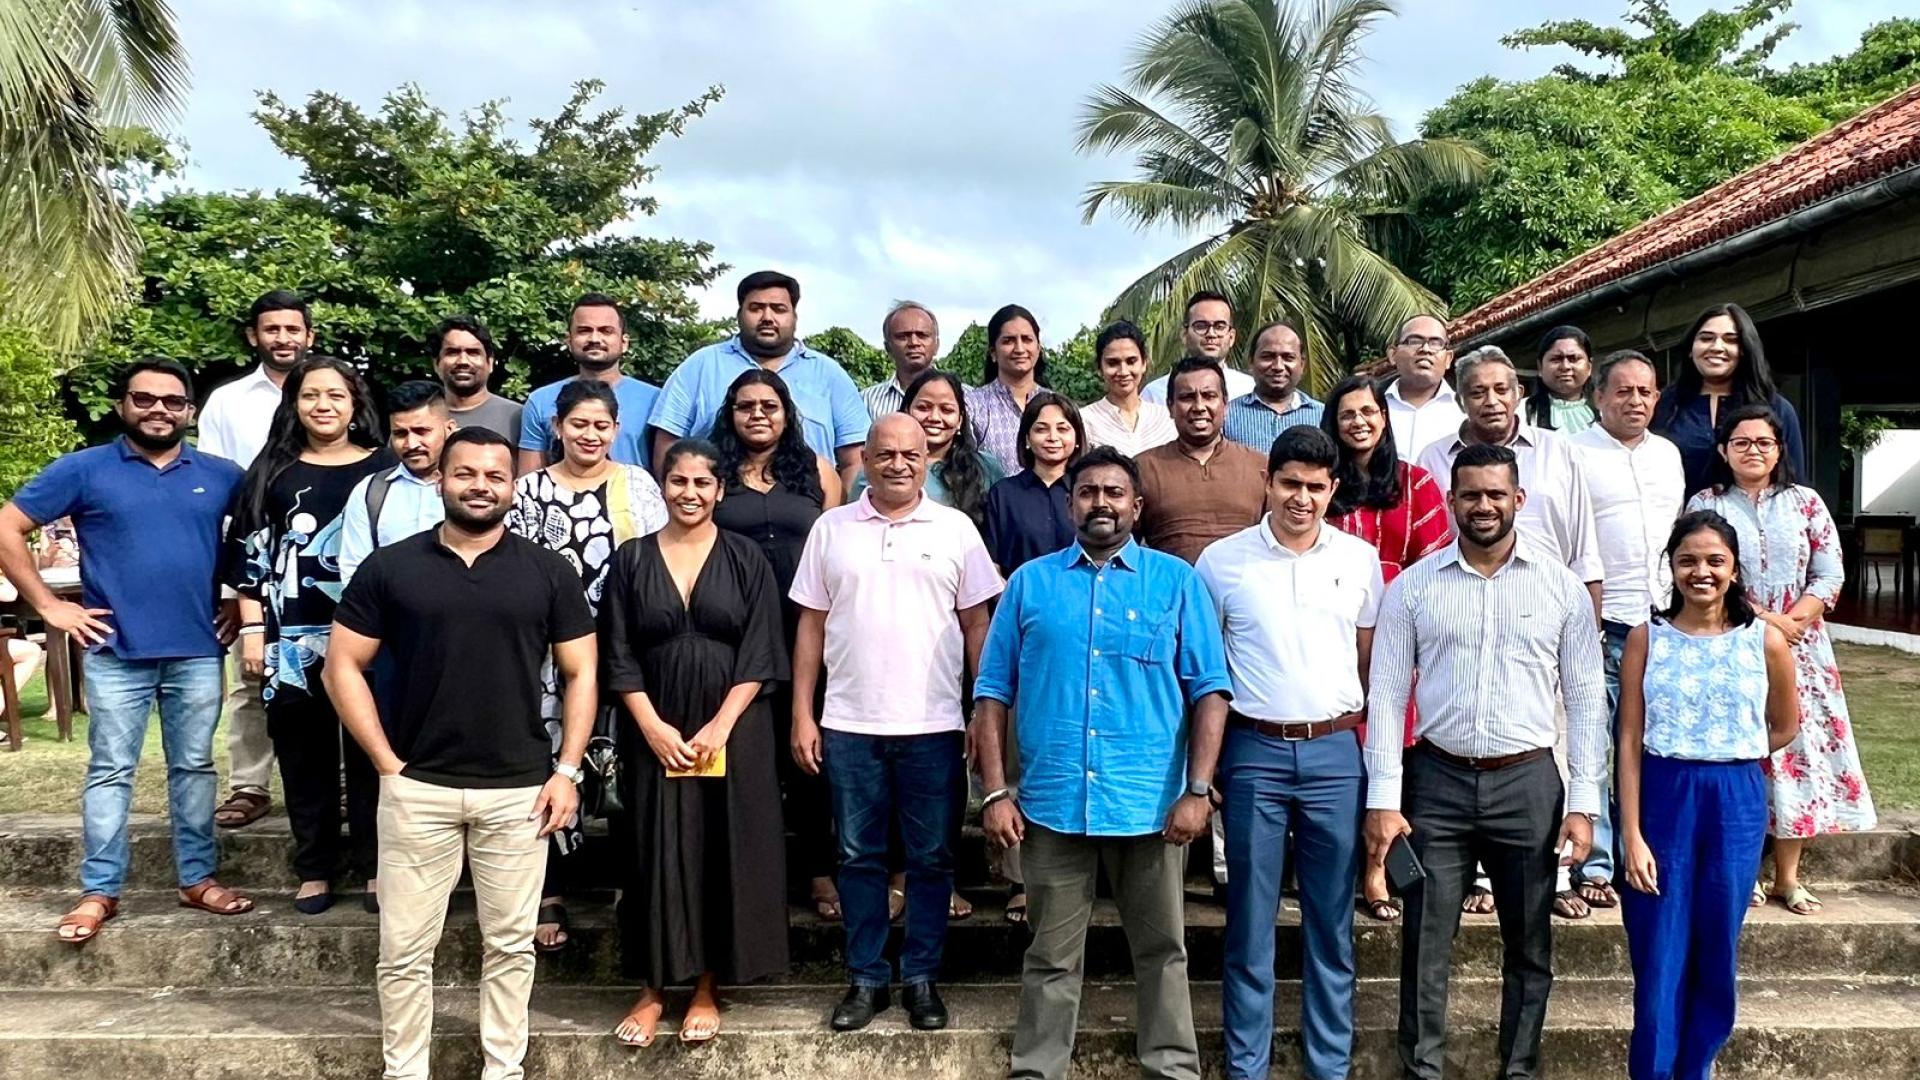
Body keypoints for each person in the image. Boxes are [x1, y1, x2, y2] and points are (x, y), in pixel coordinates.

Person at [322, 427, 597, 1080]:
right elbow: (342, 668)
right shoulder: (391, 567)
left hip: (520, 789)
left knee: (509, 946)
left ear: (511, 484)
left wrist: (567, 770)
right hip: (420, 787)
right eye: (466, 473)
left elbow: (583, 672)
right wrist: (387, 764)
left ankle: (503, 1069)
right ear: (440, 479)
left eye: (495, 475)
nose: (481, 485)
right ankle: (405, 1070)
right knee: (404, 949)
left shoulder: (546, 571)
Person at [973, 445, 1231, 1080]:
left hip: (1151, 807)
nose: (1101, 504)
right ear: (1069, 505)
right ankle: (1038, 1070)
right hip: (1053, 804)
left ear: (1137, 507)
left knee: (1163, 950)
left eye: (1115, 493)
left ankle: (1171, 1067)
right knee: (1051, 955)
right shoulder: (1030, 584)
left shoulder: (1176, 583)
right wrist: (995, 792)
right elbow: (991, 693)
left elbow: (1211, 692)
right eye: (1088, 493)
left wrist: (1198, 789)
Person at [1364, 442, 1608, 1080]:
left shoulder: (1561, 589)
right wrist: (1383, 802)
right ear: (1451, 501)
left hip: (1528, 783)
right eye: (1470, 494)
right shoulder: (1414, 588)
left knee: (1529, 943)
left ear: (1518, 500)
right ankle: (1423, 1070)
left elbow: (1585, 703)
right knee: (1425, 944)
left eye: (1496, 494)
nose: (1483, 506)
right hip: (1436, 782)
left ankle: (1520, 1069)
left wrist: (1583, 805)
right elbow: (1387, 698)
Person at [0, 360, 253, 943]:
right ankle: (100, 891)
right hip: (115, 648)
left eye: (173, 401)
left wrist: (243, 603)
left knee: (194, 768)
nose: (159, 409)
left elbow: (257, 540)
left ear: (190, 410)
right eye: (145, 399)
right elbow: (9, 526)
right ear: (122, 405)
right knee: (111, 771)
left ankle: (197, 878)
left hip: (196, 647)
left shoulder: (221, 475)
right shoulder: (84, 469)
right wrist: (48, 607)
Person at [789, 414, 1002, 1033]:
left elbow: (977, 627)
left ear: (927, 460)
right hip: (850, 723)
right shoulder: (831, 530)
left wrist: (978, 712)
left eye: (911, 455)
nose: (899, 464)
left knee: (934, 858)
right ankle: (865, 979)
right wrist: (803, 712)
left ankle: (922, 978)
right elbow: (809, 626)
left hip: (933, 724)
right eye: (886, 454)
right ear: (868, 460)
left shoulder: (956, 528)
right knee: (857, 856)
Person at [1197, 426, 1383, 1080]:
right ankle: (1247, 1068)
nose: (1301, 498)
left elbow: (1371, 664)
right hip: (1253, 751)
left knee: (1330, 921)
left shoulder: (1359, 560)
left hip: (1336, 751)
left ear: (1333, 490)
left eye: (1315, 487)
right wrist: (1207, 765)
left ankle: (1326, 1066)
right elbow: (1205, 670)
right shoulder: (1221, 563)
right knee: (1250, 919)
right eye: (1289, 484)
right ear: (1267, 483)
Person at [603, 439, 791, 1047]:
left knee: (719, 845)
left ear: (720, 490)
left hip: (731, 727)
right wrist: (652, 727)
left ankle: (708, 985)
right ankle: (655, 985)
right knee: (655, 846)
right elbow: (618, 653)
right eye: (678, 482)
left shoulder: (744, 559)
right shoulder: (631, 560)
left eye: (702, 483)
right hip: (654, 726)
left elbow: (762, 649)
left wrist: (718, 727)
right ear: (663, 486)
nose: (690, 493)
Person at [1617, 511, 1800, 1080]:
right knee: (1659, 949)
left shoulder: (1765, 640)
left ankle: (1697, 1068)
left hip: (1735, 800)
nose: (1701, 572)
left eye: (1715, 560)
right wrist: (1631, 834)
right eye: (1688, 560)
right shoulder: (1648, 639)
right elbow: (1627, 737)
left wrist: (1727, 746)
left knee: (1716, 946)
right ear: (1670, 568)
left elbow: (1785, 724)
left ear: (1734, 567)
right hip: (1662, 796)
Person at [1686, 405, 1876, 916]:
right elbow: (1701, 570)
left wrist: (1794, 621)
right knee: (1744, 755)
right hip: (1731, 640)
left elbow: (1829, 571)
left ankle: (1788, 878)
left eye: (1764, 443)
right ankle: (1743, 870)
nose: (1753, 451)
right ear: (1724, 450)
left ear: (1778, 450)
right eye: (1742, 442)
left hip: (1802, 646)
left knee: (1798, 756)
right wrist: (1767, 620)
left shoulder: (1806, 503)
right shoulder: (1706, 504)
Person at [226, 356, 395, 915]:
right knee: (303, 750)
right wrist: (253, 631)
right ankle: (315, 866)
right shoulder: (271, 472)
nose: (323, 405)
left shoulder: (387, 468)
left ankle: (375, 867)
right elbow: (249, 557)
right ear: (293, 404)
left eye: (336, 395)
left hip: (377, 637)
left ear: (356, 404)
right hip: (293, 635)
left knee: (375, 751)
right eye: (310, 396)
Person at [506, 379, 667, 950]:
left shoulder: (639, 485)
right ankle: (550, 891)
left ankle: (633, 884)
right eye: (578, 424)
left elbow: (656, 567)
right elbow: (515, 572)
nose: (590, 434)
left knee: (627, 767)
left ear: (616, 430)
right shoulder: (526, 491)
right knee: (548, 767)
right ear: (557, 427)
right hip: (546, 656)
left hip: (622, 650)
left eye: (601, 425)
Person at [709, 369, 844, 921]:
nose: (758, 415)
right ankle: (751, 876)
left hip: (805, 626)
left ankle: (818, 869)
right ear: (731, 414)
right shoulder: (713, 473)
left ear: (787, 413)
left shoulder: (816, 471)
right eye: (746, 406)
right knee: (747, 755)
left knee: (810, 754)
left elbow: (837, 546)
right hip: (732, 633)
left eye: (769, 405)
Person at [1322, 374, 1454, 923]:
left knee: (1391, 755)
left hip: (1403, 634)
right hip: (1333, 635)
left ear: (1384, 417)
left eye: (1368, 411)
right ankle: (1344, 866)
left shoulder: (1415, 483)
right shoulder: (1323, 485)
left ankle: (1380, 867)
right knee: (1347, 757)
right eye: (1347, 413)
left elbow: (1436, 563)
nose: (1359, 421)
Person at [1568, 350, 1685, 908]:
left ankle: (1653, 849)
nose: (1635, 401)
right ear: (1598, 397)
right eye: (1623, 391)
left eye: (1645, 392)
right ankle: (1595, 863)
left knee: (1653, 745)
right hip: (1602, 623)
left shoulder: (1668, 455)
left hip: (1662, 622)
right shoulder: (1573, 455)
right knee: (1593, 741)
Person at [202, 289, 313, 832]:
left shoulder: (329, 391)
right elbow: (224, 499)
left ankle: (328, 783)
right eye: (272, 329)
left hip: (320, 560)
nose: (283, 338)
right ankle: (249, 784)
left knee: (329, 671)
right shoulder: (227, 401)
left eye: (293, 329)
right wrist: (232, 591)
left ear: (308, 335)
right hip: (254, 556)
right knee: (250, 678)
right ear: (254, 336)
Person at [653, 270, 869, 477]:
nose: (767, 317)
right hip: (715, 508)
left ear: (794, 316)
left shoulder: (830, 375)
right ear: (739, 314)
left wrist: (838, 513)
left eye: (778, 309)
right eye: (756, 308)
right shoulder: (700, 367)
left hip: (809, 508)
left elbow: (854, 459)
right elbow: (668, 445)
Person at [1654, 302, 1806, 499]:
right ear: (1691, 349)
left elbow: (1793, 483)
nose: (1717, 347)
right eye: (1706, 338)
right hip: (1681, 526)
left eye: (1730, 340)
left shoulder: (1776, 408)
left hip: (1756, 526)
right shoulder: (1664, 405)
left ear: (1744, 350)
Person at [1135, 356, 1269, 565]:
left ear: (1225, 404)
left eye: (1209, 396)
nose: (1199, 406)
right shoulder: (1143, 468)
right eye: (1187, 397)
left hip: (1245, 591)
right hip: (1172, 592)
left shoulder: (1260, 466)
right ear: (1170, 407)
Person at [516, 293, 661, 474]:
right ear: (569, 341)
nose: (594, 339)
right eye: (584, 330)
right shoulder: (540, 401)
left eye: (606, 331)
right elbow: (529, 481)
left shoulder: (656, 400)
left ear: (624, 343)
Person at [853, 369, 1007, 533]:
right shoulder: (881, 468)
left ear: (960, 420)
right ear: (906, 411)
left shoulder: (986, 467)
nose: (934, 418)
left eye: (946, 410)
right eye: (923, 408)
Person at [339, 381, 455, 586]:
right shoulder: (370, 492)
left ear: (449, 429)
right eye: (400, 434)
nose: (411, 444)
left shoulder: (474, 490)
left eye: (422, 431)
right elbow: (354, 572)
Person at [983, 391, 1085, 574]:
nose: (1053, 437)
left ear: (1077, 438)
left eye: (1062, 429)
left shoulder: (1089, 493)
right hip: (1019, 599)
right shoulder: (1003, 494)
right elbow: (992, 565)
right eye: (1041, 429)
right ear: (1027, 438)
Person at [967, 303, 1051, 469]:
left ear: (1038, 348)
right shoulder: (973, 405)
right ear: (993, 352)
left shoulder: (1056, 405)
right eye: (1008, 341)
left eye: (1027, 339)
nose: (1019, 349)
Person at [1221, 319, 1324, 453]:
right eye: (1268, 357)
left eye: (1288, 357)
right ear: (1251, 362)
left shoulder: (1322, 415)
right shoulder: (1226, 416)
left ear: (1302, 364)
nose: (1278, 367)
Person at [1140, 290, 1257, 403]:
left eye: (1219, 326)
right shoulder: (1155, 394)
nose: (1211, 334)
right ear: (1184, 335)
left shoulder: (1250, 389)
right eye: (1201, 326)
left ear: (1231, 337)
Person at [1079, 320, 1176, 456]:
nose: (1123, 371)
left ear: (1144, 363)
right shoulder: (1085, 420)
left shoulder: (1167, 418)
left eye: (1131, 361)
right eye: (1113, 363)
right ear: (1100, 368)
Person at [1383, 314, 1466, 460]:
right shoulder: (1374, 409)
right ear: (1393, 355)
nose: (1425, 349)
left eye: (1436, 343)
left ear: (1448, 359)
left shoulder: (1465, 412)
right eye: (1414, 341)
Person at [431, 314, 522, 441]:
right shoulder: (418, 419)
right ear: (436, 364)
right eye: (452, 352)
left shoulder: (519, 417)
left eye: (473, 353)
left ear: (490, 363)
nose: (463, 361)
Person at [861, 300, 940, 421]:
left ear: (936, 345)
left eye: (922, 335)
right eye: (903, 336)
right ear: (888, 347)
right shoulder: (866, 402)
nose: (914, 342)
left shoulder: (967, 398)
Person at [1525, 325, 1596, 433]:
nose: (1565, 367)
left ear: (1589, 367)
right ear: (1540, 367)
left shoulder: (1608, 410)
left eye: (1574, 359)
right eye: (1556, 359)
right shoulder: (1522, 413)